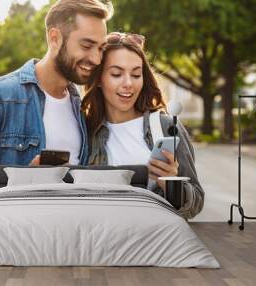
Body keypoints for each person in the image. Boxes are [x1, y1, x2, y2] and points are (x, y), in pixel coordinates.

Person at [0, 0, 113, 201]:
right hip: (16, 229)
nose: (96, 58)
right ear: (55, 38)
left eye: (101, 48)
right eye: (86, 45)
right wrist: (22, 183)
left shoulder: (80, 106)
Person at [82, 32, 204, 218]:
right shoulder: (85, 131)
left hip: (154, 241)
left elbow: (195, 203)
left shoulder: (166, 127)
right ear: (99, 79)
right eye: (116, 74)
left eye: (136, 74)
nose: (128, 83)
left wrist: (172, 182)